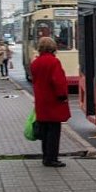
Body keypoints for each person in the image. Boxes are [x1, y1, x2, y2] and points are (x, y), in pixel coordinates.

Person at [31, 36, 70, 168]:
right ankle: (52, 158)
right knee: (54, 131)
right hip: (53, 101)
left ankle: (45, 157)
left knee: (45, 131)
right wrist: (62, 95)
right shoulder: (54, 62)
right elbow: (58, 81)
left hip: (41, 101)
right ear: (52, 47)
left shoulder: (35, 63)